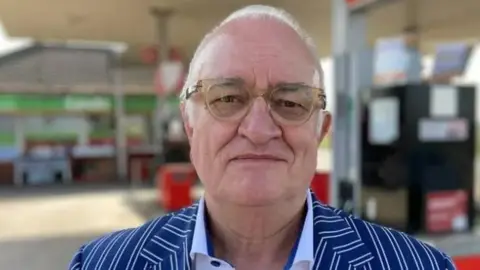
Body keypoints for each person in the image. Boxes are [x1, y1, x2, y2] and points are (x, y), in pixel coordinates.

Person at [69, 5, 456, 270]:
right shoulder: (103, 263)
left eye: (289, 102)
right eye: (227, 98)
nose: (257, 130)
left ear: (320, 130)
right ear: (190, 125)